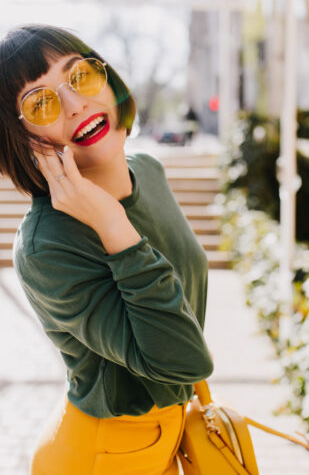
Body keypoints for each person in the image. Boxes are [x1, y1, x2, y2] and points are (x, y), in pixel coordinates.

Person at [0, 24, 214, 475]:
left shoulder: (149, 171)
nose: (76, 104)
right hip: (102, 455)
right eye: (40, 103)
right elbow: (181, 360)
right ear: (18, 141)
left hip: (168, 437)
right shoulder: (45, 247)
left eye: (79, 77)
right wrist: (112, 225)